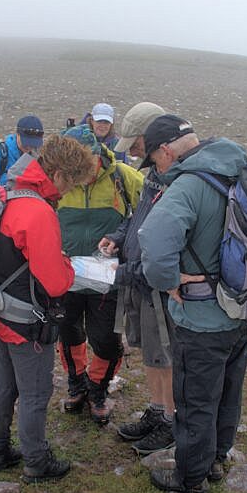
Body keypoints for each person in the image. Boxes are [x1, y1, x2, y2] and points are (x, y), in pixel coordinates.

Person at [138, 114, 247, 493]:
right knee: (228, 389)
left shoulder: (189, 186)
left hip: (203, 317)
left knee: (196, 399)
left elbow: (153, 245)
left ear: (166, 151)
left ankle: (191, 477)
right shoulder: (240, 167)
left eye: (153, 158)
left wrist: (169, 281)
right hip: (244, 306)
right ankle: (217, 458)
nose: (156, 166)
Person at [0, 135, 95, 483]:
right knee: (35, 392)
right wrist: (70, 268)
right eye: (72, 183)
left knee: (4, 384)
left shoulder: (12, 194)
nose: (69, 192)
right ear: (59, 174)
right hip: (27, 321)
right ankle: (36, 461)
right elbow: (55, 283)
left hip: (2, 311)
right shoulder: (38, 212)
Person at [97, 102, 184, 456]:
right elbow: (137, 218)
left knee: (165, 355)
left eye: (135, 144)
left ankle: (171, 420)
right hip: (139, 282)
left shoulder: (178, 179)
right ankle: (157, 409)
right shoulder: (153, 175)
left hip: (159, 285)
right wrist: (119, 238)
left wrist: (127, 271)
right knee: (150, 352)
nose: (131, 151)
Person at [57, 126, 144, 424]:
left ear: (97, 154)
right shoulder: (57, 181)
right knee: (67, 332)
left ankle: (98, 389)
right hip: (64, 275)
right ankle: (76, 383)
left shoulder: (121, 176)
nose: (81, 173)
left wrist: (121, 235)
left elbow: (149, 211)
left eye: (86, 163)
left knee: (105, 340)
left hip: (107, 278)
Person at [0, 115, 45, 185]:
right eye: (26, 142)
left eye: (33, 143)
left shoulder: (38, 156)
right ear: (17, 134)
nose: (29, 147)